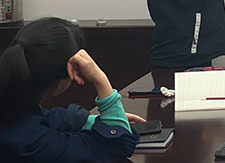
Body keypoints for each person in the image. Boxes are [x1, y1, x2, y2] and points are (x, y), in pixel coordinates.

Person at [0, 17, 142, 163]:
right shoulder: (32, 143)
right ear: (61, 82)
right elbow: (119, 146)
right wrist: (100, 80)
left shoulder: (13, 110)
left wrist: (92, 121)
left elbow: (49, 118)